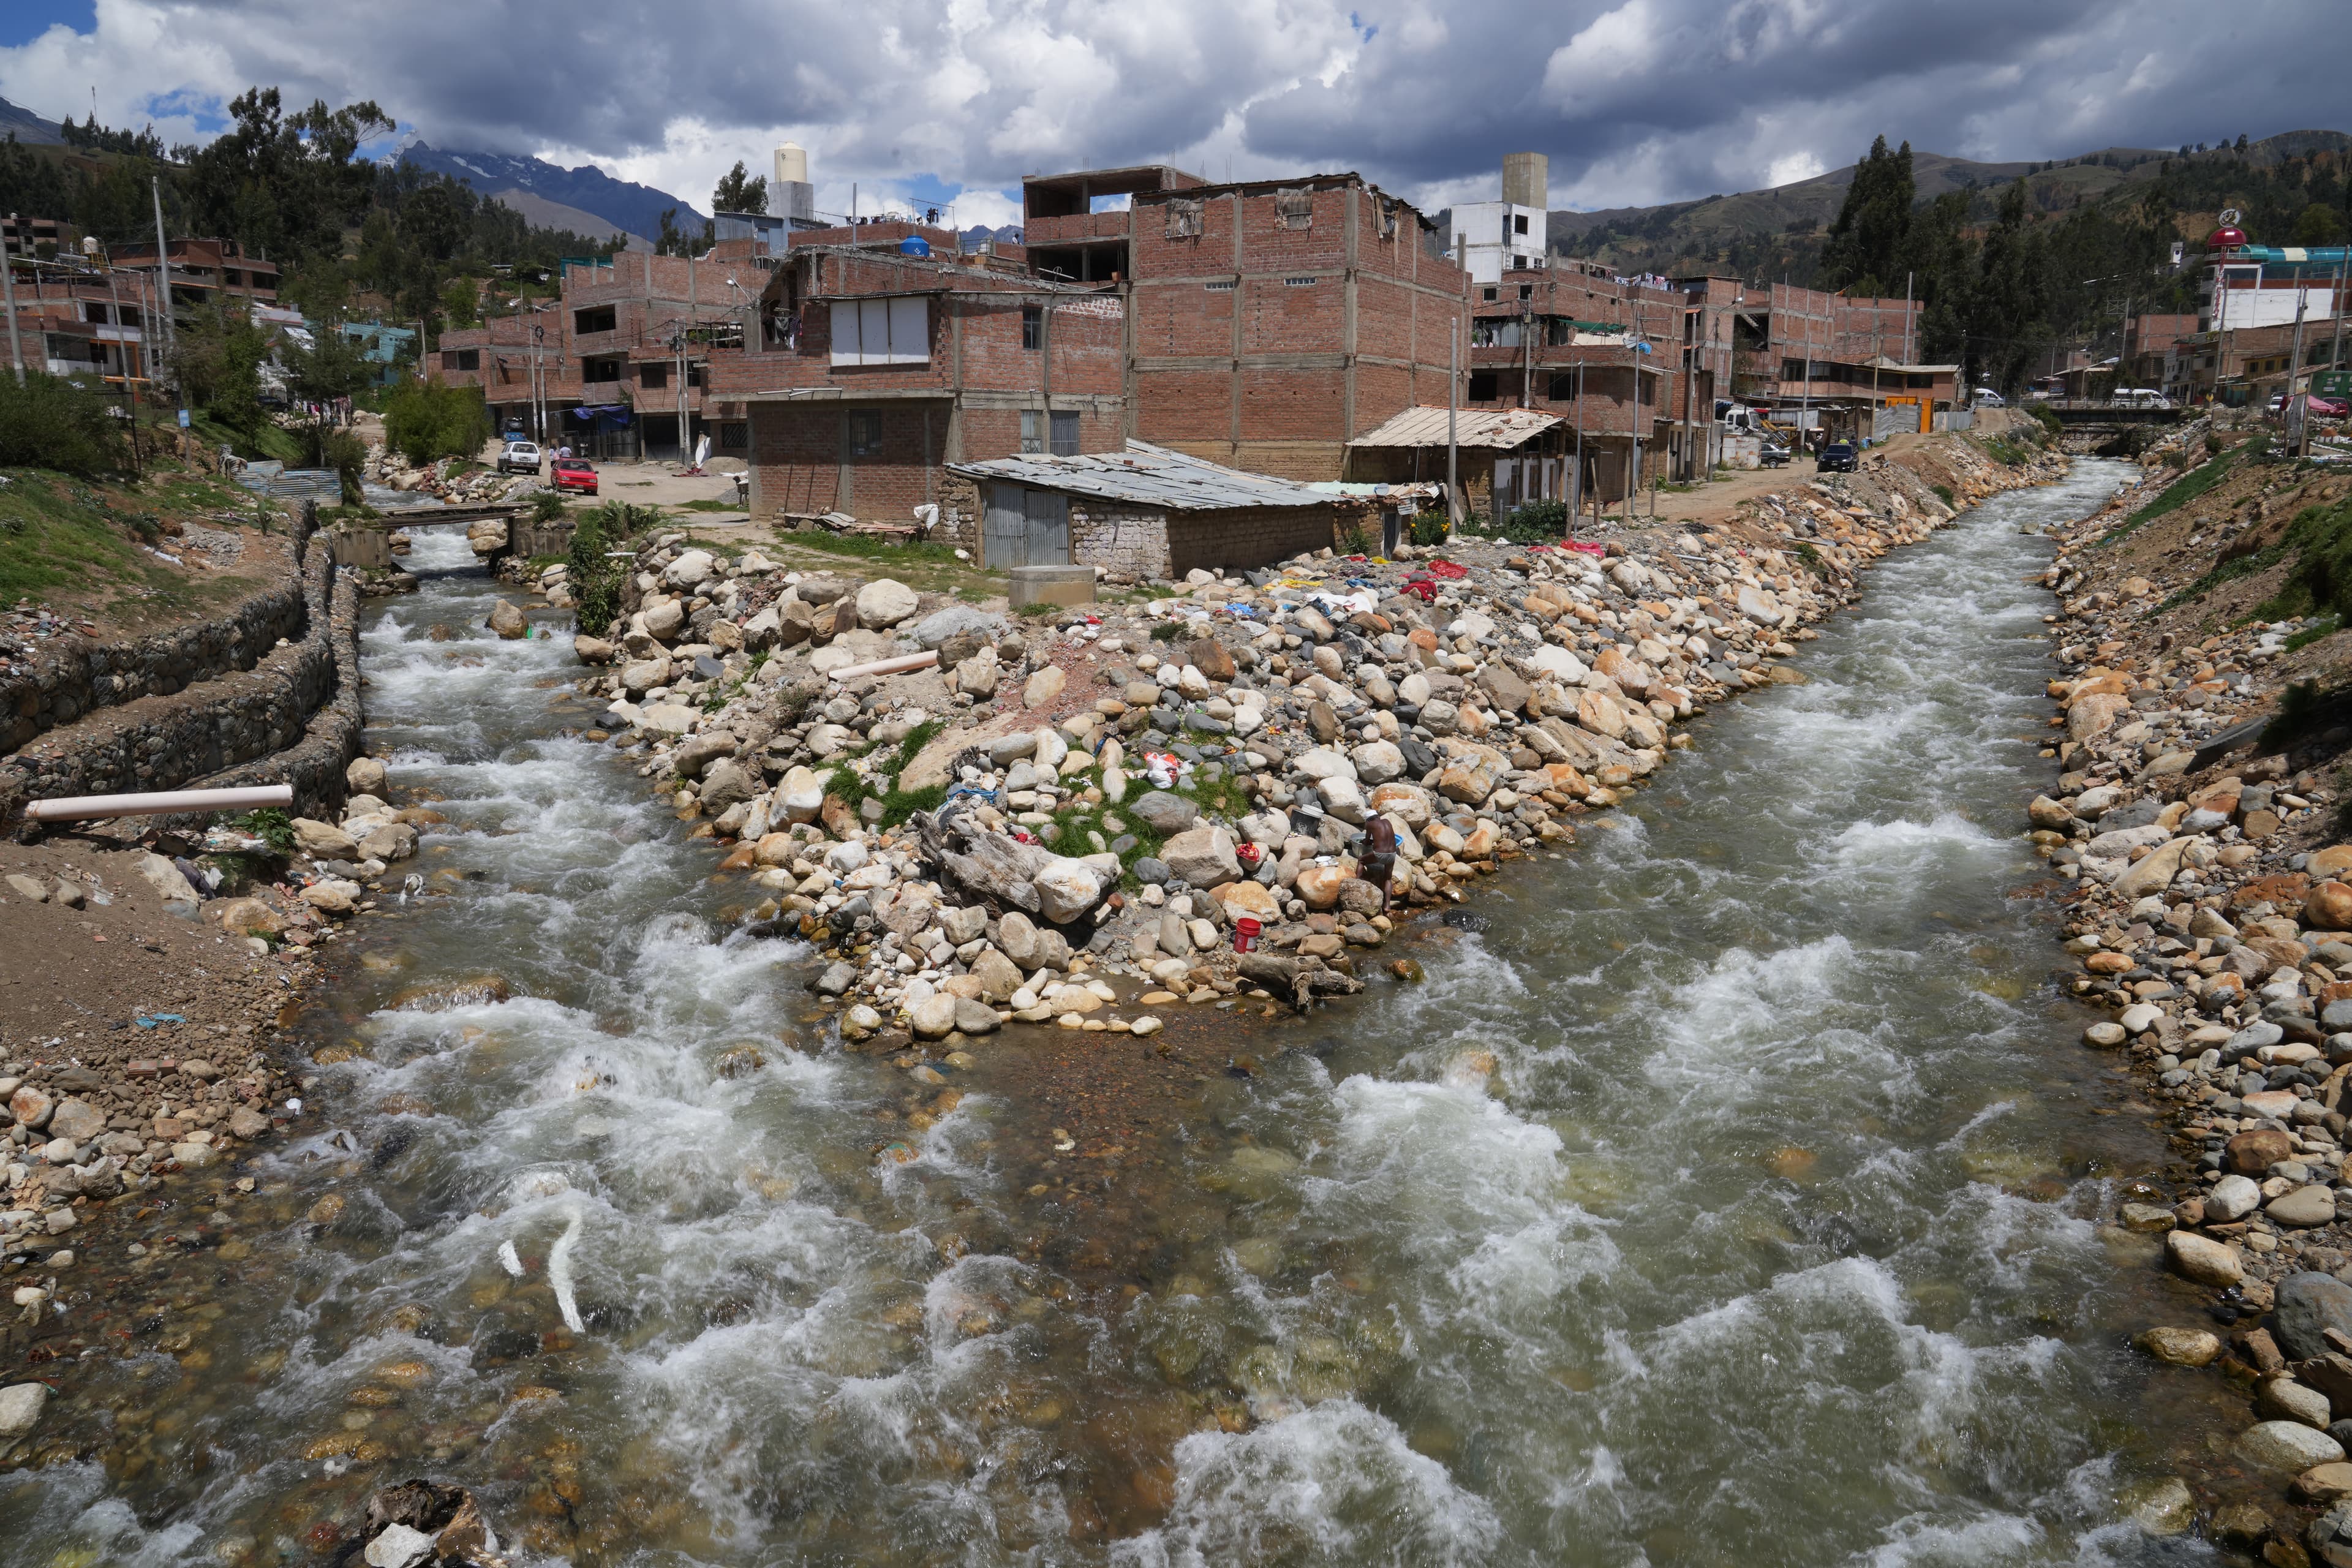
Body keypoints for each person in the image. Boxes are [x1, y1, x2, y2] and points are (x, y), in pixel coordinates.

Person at [1362, 815, 1399, 912]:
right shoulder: (1387, 821)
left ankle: (1357, 883)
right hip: (1392, 854)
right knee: (1388, 878)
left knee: (1361, 861)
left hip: (1380, 854)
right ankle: (1387, 906)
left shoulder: (1370, 824)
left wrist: (1366, 843)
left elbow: (1366, 841)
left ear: (1369, 819)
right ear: (1377, 817)